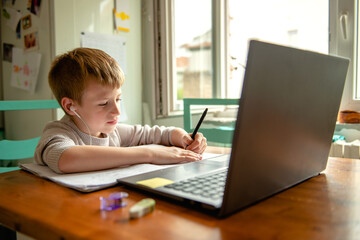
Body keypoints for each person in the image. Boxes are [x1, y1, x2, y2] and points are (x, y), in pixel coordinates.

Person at [34, 48, 207, 174]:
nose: (117, 111)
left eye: (118, 99)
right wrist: (150, 153)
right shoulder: (57, 132)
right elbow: (66, 158)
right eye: (103, 103)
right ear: (71, 106)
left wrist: (183, 137)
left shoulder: (112, 132)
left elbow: (156, 133)